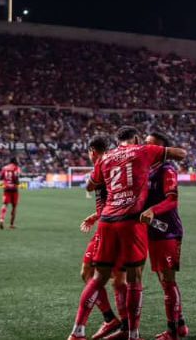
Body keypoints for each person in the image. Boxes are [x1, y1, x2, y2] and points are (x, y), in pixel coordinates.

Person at [68, 126, 187, 340]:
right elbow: (181, 153)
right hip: (132, 223)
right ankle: (132, 334)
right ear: (136, 138)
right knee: (134, 279)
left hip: (110, 221)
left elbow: (89, 186)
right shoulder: (143, 151)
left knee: (98, 277)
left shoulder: (107, 157)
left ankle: (78, 332)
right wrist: (161, 151)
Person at [140, 131, 189, 340]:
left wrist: (153, 211)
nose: (147, 147)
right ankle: (181, 325)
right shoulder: (149, 170)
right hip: (154, 230)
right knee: (164, 280)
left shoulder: (167, 169)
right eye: (146, 143)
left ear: (161, 149)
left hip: (167, 230)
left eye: (152, 144)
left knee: (168, 281)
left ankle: (173, 331)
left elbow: (172, 200)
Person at [78, 135, 125, 340]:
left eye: (89, 153)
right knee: (96, 274)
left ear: (92, 151)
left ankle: (122, 325)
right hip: (107, 222)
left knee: (110, 277)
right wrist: (97, 214)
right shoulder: (111, 165)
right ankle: (113, 320)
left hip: (112, 226)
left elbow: (115, 195)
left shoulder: (106, 164)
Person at [0, 157, 21, 229]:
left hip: (6, 188)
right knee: (14, 207)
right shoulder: (17, 168)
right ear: (15, 161)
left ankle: (1, 220)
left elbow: (1, 177)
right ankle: (11, 224)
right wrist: (17, 183)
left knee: (4, 205)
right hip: (14, 189)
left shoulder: (4, 168)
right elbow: (16, 178)